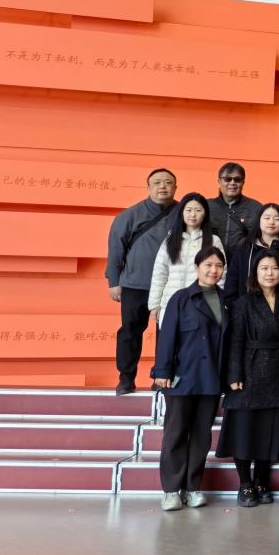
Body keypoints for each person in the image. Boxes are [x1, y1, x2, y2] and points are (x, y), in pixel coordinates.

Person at [151, 246, 227, 512]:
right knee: (176, 433)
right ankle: (171, 490)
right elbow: (167, 337)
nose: (213, 270)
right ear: (197, 268)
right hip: (182, 378)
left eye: (218, 266)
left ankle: (193, 487)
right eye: (208, 265)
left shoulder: (226, 300)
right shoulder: (181, 298)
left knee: (201, 436)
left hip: (211, 379)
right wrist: (163, 371)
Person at [216, 248, 279, 508]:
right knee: (244, 430)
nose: (270, 273)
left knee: (268, 431)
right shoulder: (242, 303)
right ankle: (245, 483)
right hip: (248, 373)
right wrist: (234, 374)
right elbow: (235, 341)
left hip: (278, 373)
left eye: (275, 268)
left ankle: (260, 480)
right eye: (264, 268)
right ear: (254, 273)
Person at [106, 168, 178, 396]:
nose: (162, 187)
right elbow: (116, 249)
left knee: (168, 334)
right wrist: (114, 281)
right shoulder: (130, 215)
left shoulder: (182, 213)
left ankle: (162, 377)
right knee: (130, 332)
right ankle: (126, 378)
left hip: (170, 286)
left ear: (175, 188)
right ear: (148, 187)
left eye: (168, 182)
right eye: (157, 183)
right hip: (135, 284)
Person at [148, 192, 225, 326]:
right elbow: (160, 273)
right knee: (169, 338)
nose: (193, 214)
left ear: (205, 213)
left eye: (198, 210)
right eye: (188, 210)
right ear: (182, 212)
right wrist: (155, 304)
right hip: (171, 303)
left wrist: (217, 303)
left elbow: (221, 275)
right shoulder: (170, 240)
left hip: (202, 305)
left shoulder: (214, 241)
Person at [224, 203, 279, 302]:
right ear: (259, 221)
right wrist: (233, 305)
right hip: (247, 307)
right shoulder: (246, 247)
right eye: (267, 218)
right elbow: (232, 279)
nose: (271, 222)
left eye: (277, 219)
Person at [208, 162, 263, 251]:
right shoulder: (207, 206)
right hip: (212, 258)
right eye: (227, 179)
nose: (232, 183)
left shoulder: (255, 208)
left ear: (243, 183)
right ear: (219, 181)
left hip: (243, 258)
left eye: (237, 179)